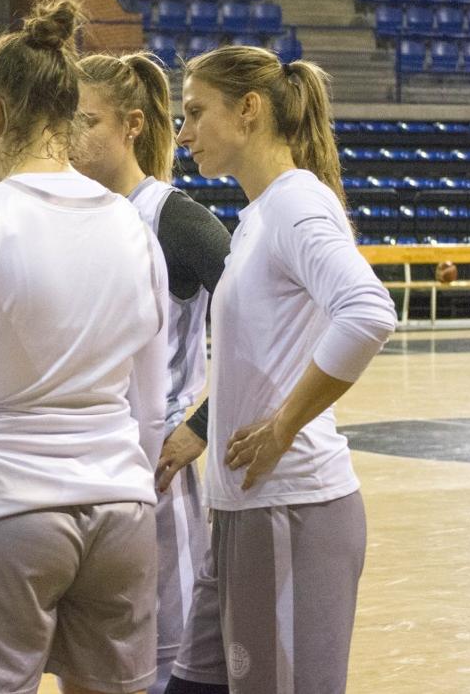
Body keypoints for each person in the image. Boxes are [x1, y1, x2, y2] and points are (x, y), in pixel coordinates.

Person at [0, 0, 170, 694]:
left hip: (3, 507)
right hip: (122, 511)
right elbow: (150, 402)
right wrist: (119, 469)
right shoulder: (135, 224)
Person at [164, 46, 396, 694]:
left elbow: (369, 312)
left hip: (291, 509)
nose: (183, 133)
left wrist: (283, 426)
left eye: (194, 114)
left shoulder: (296, 204)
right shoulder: (255, 220)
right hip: (242, 511)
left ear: (249, 110)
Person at [73, 52, 231, 694]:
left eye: (85, 121)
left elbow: (279, 329)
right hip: (79, 469)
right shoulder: (64, 211)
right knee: (86, 665)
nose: (70, 136)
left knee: (166, 664)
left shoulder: (174, 218)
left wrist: (203, 423)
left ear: (132, 125)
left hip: (156, 475)